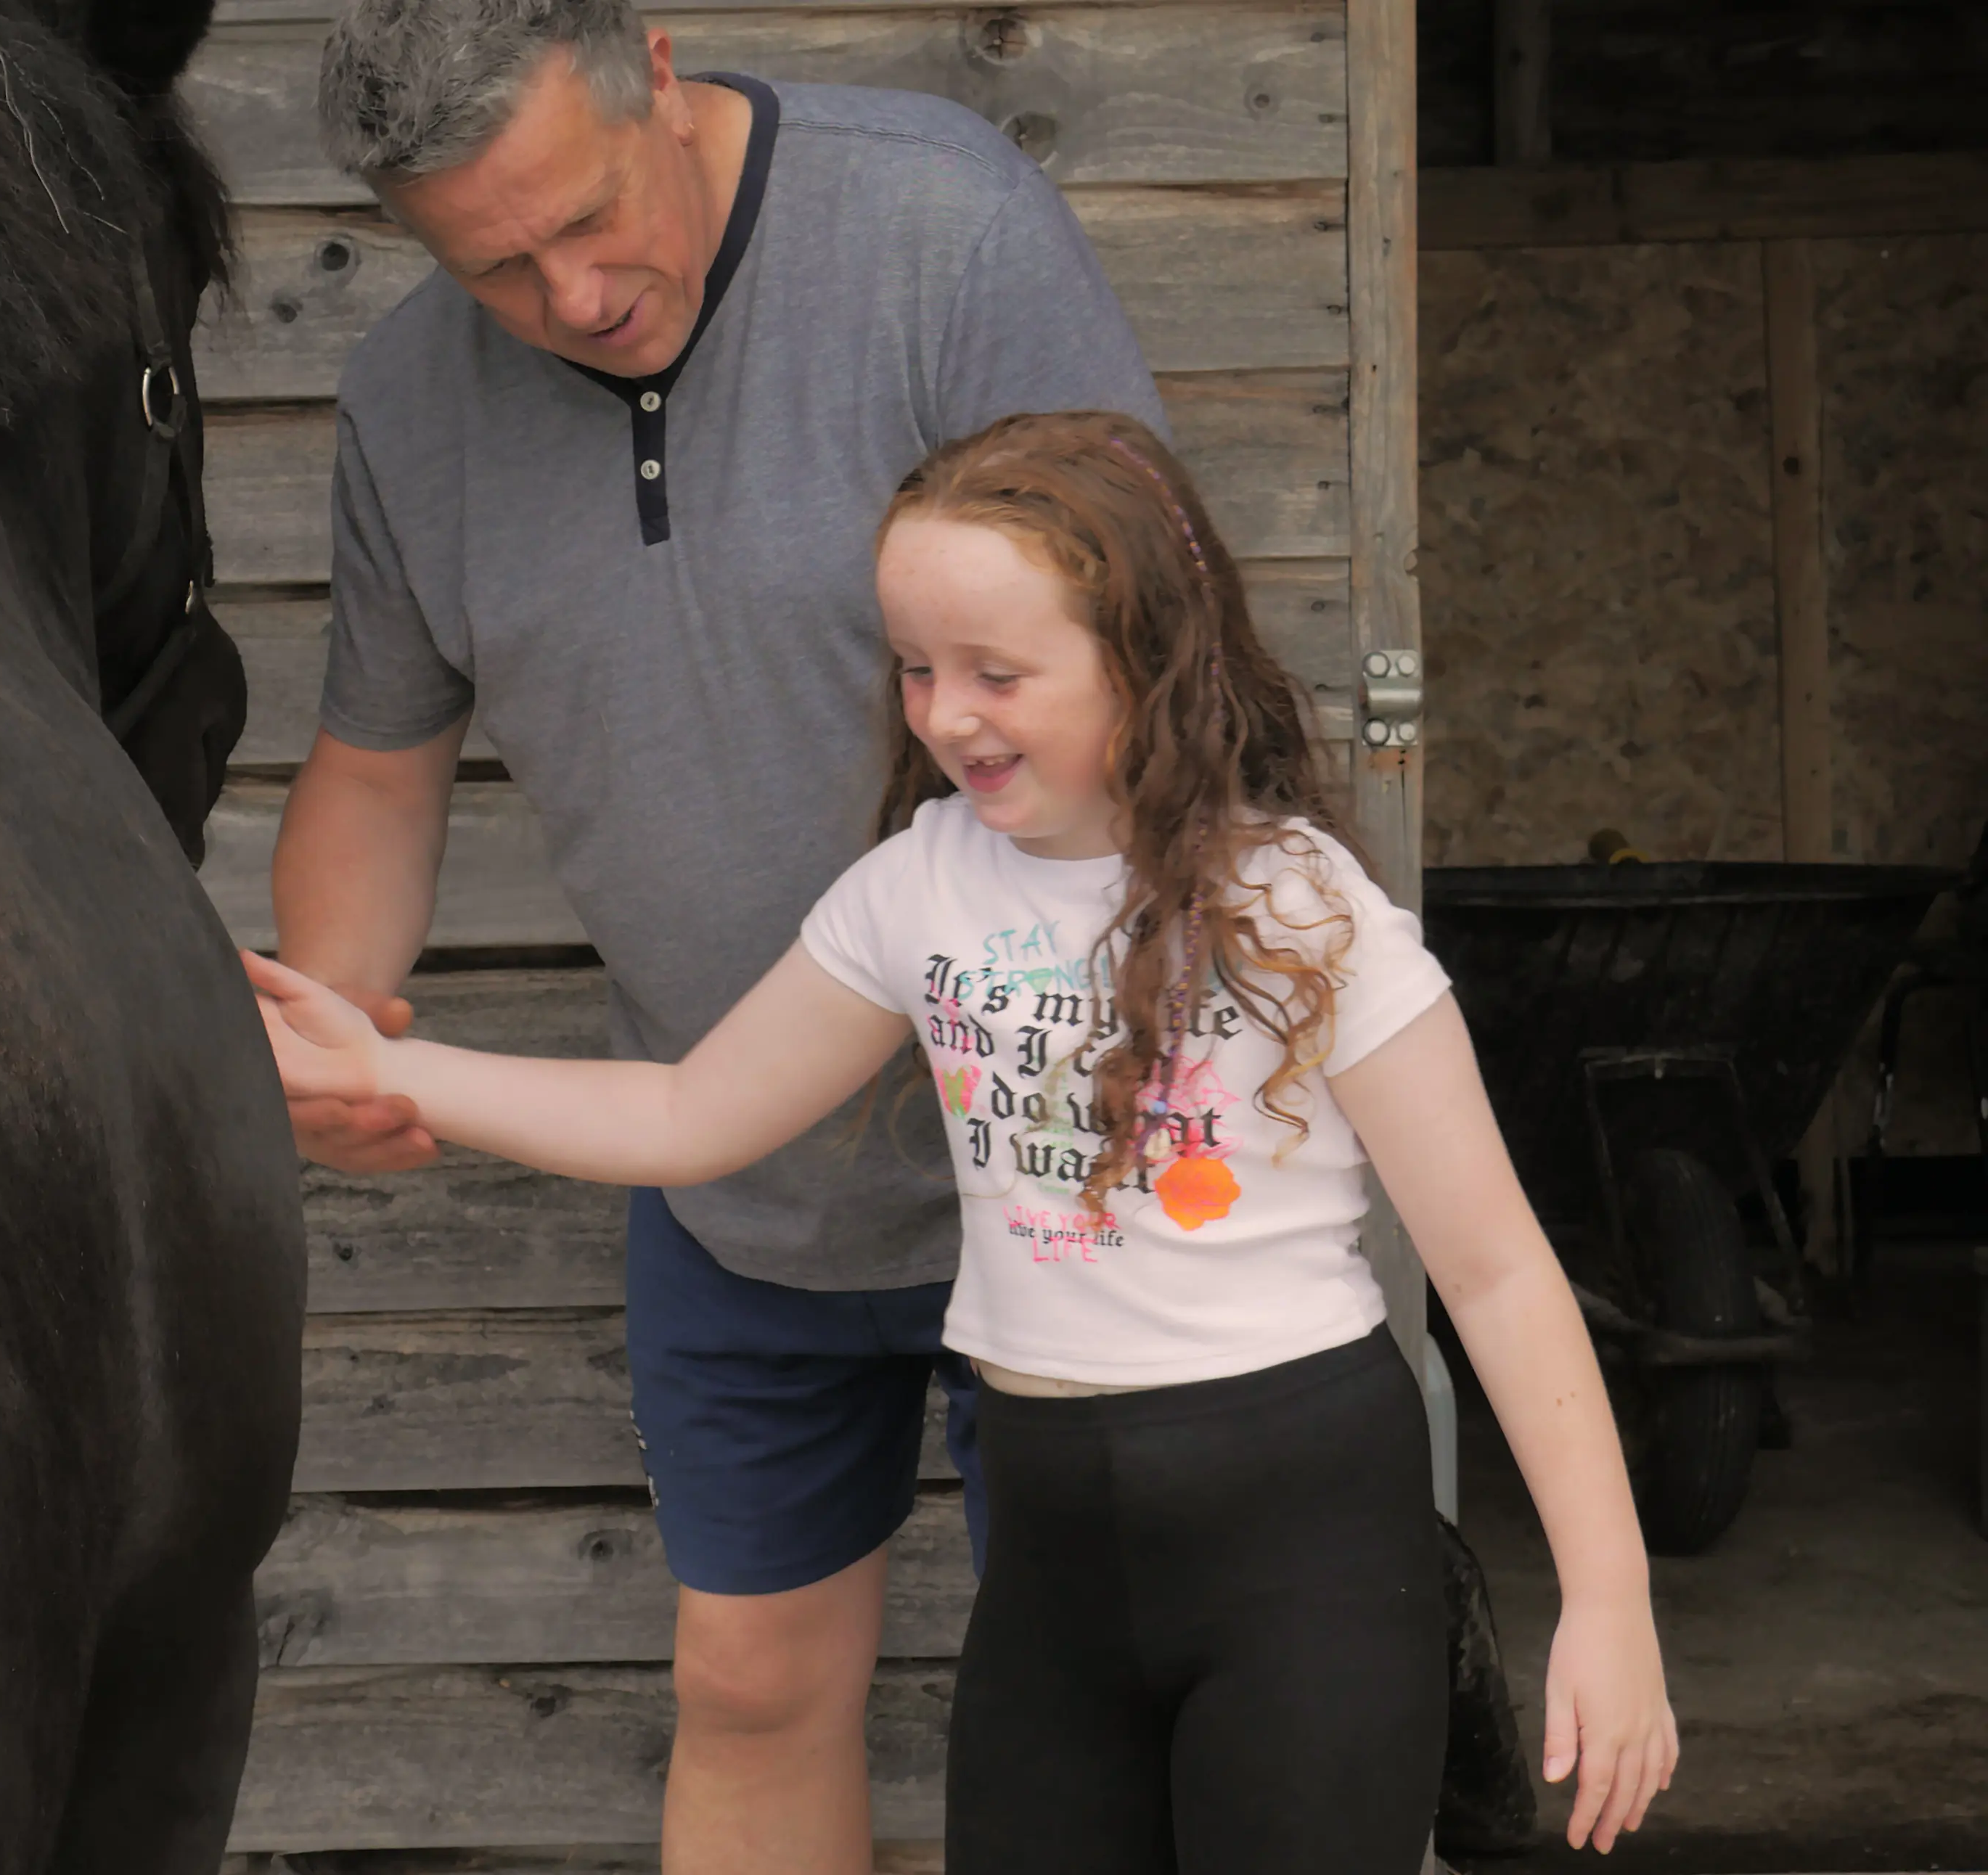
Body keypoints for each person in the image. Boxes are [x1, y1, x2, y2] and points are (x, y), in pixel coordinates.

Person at [252, 411, 1680, 1872]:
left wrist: (1609, 1597)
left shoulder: (1299, 909)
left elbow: (1497, 1272)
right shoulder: (915, 887)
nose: (943, 714)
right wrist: (395, 1065)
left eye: (998, 673)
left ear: (1149, 655)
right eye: (916, 667)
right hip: (1057, 1560)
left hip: (1303, 1534)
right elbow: (688, 1115)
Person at [282, 1, 1166, 1863]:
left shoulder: (941, 233)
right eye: (496, 268)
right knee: (749, 1682)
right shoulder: (407, 404)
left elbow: (1142, 660)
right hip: (731, 1175)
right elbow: (375, 766)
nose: (576, 297)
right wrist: (340, 1023)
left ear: (657, 73)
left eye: (592, 218)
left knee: (1102, 1700)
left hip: (1065, 1154)